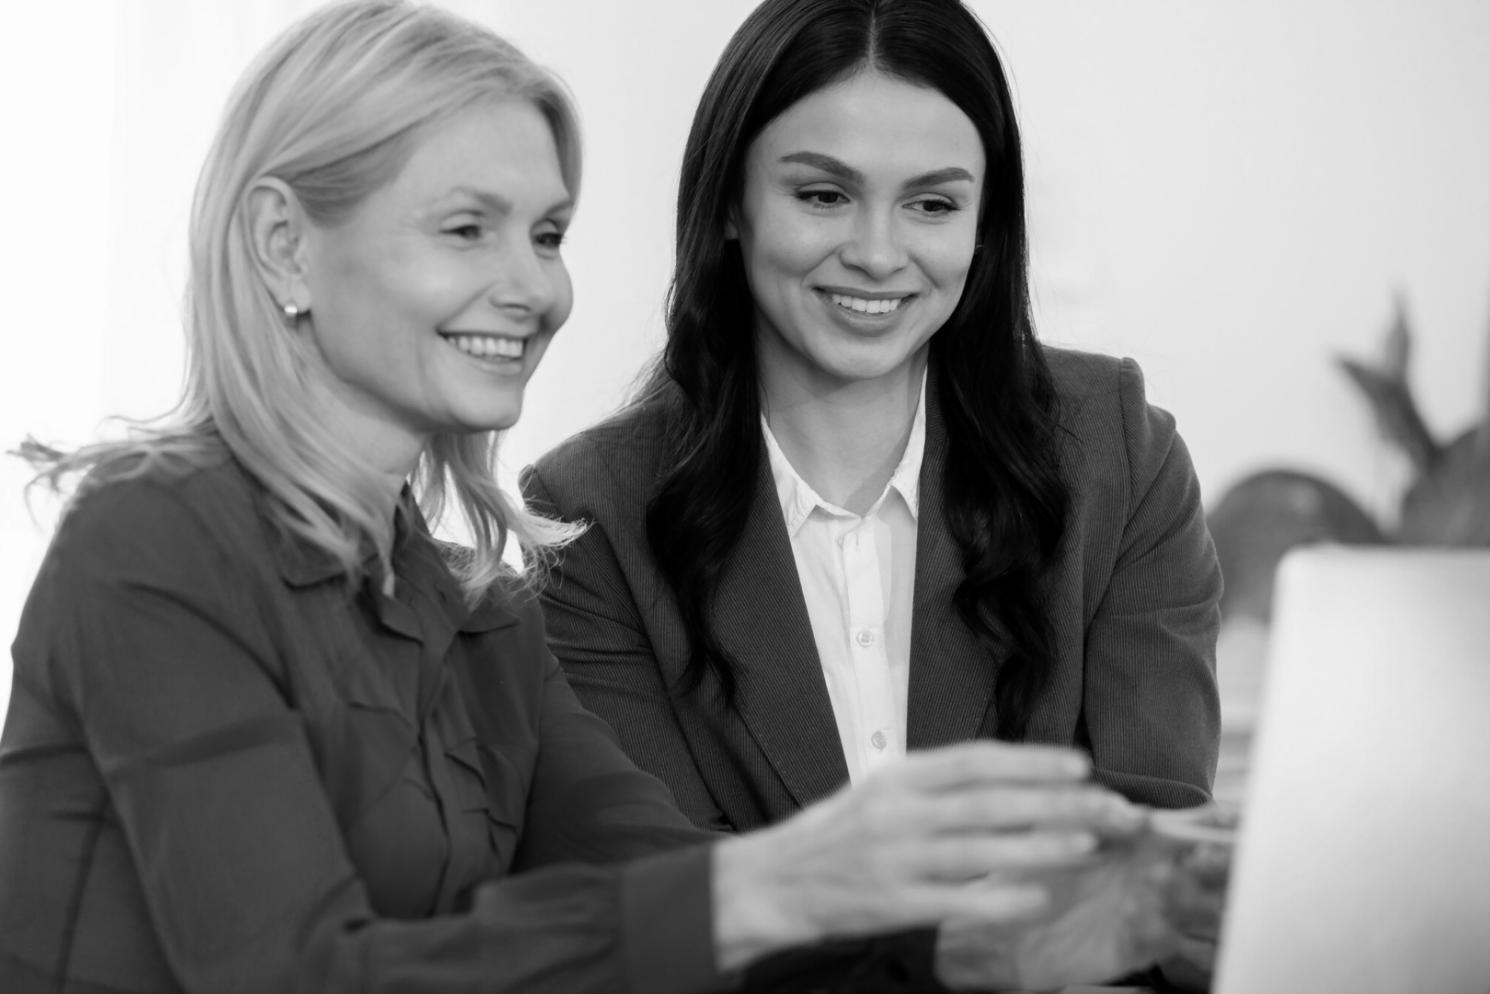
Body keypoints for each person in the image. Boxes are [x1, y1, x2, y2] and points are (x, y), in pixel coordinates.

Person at [0, 2, 1182, 992]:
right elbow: (298, 975)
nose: (532, 287)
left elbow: (664, 888)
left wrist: (985, 943)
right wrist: (785, 876)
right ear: (282, 244)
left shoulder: (470, 605)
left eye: (548, 233)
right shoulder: (151, 538)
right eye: (468, 228)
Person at [521, 0, 1223, 983]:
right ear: (729, 201)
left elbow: (1148, 888)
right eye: (822, 195)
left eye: (931, 204)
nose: (878, 253)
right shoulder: (591, 513)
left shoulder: (1116, 453)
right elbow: (665, 912)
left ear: (984, 224)